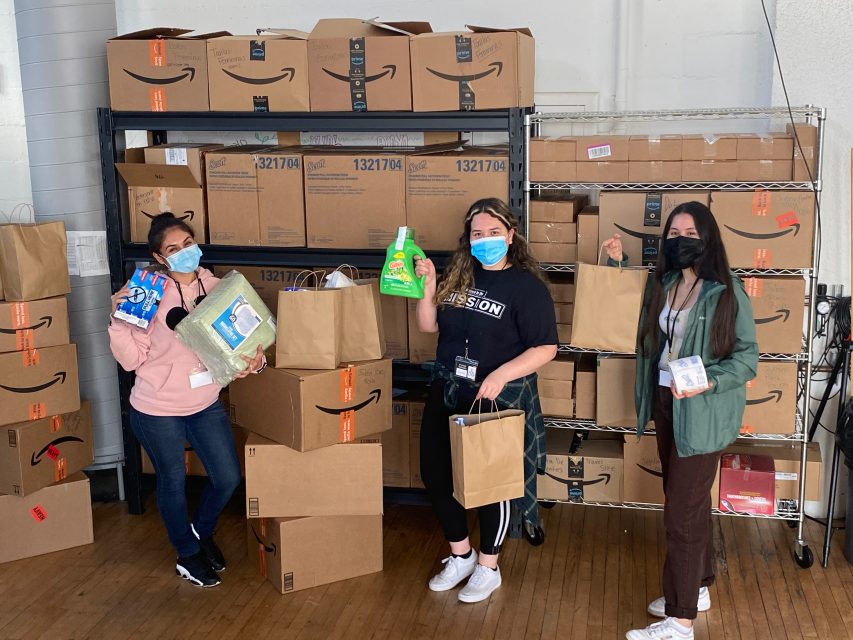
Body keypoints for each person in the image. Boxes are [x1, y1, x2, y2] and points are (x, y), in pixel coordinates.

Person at [603, 202, 758, 640]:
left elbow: (748, 360)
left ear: (707, 239)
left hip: (702, 411)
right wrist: (617, 264)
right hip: (667, 402)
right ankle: (699, 586)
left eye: (689, 232)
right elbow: (635, 313)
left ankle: (681, 619)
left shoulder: (727, 292)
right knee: (687, 502)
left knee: (681, 515)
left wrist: (707, 380)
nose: (680, 239)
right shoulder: (667, 283)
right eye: (673, 233)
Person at [109, 213, 265, 588]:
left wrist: (255, 361)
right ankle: (187, 553)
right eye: (173, 249)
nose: (184, 253)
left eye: (188, 244)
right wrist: (118, 319)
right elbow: (131, 361)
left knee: (227, 477)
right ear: (160, 258)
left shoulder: (219, 287)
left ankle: (200, 531)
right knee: (173, 480)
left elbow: (244, 341)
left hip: (204, 403)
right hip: (157, 407)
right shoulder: (146, 293)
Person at [414, 197, 558, 603]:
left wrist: (500, 374)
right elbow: (429, 327)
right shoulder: (460, 275)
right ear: (469, 239)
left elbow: (546, 347)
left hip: (493, 398)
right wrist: (426, 289)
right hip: (447, 388)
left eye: (494, 233)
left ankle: (488, 566)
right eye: (478, 234)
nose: (486, 240)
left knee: (492, 484)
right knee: (436, 474)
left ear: (511, 236)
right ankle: (460, 554)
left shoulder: (526, 288)